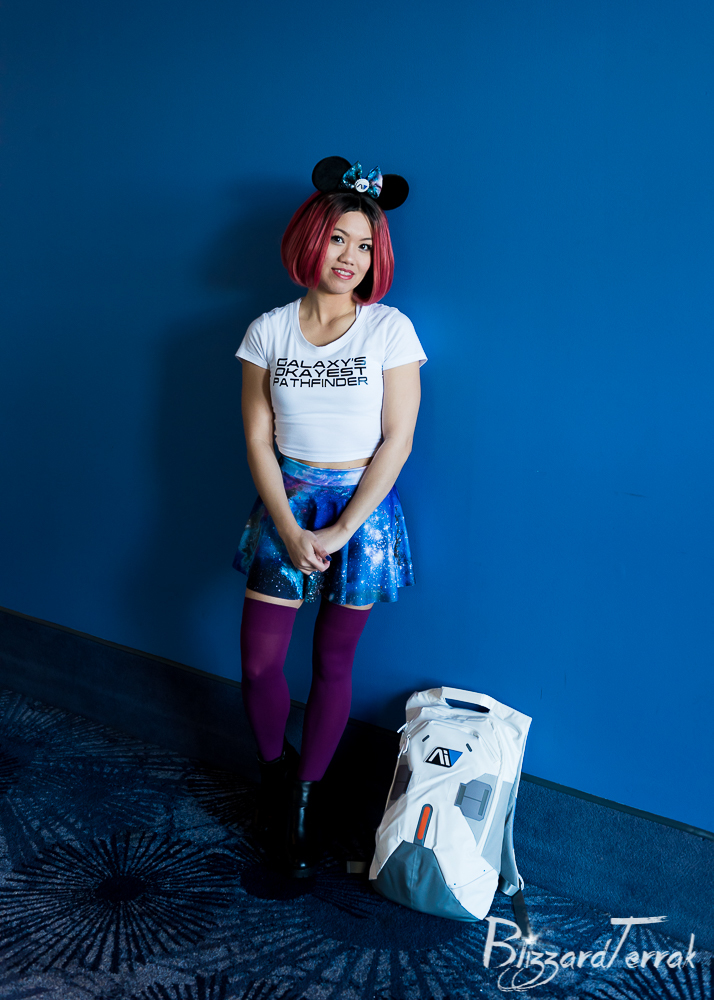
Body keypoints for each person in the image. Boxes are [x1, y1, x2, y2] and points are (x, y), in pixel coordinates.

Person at [233, 156, 426, 877]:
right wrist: (288, 527)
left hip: (362, 514)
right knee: (259, 664)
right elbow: (258, 440)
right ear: (311, 240)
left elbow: (398, 440)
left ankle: (306, 799)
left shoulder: (389, 331)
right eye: (339, 239)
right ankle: (275, 776)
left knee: (333, 662)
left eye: (365, 245)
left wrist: (341, 530)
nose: (351, 257)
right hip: (286, 502)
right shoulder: (267, 332)